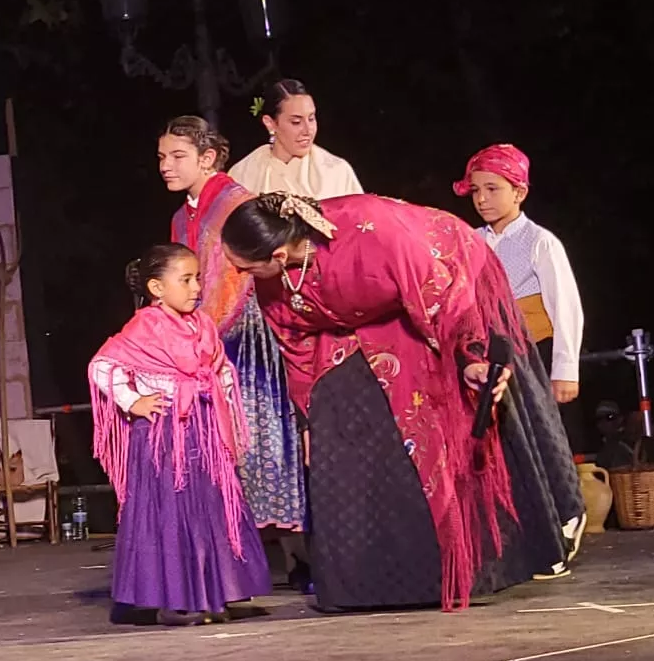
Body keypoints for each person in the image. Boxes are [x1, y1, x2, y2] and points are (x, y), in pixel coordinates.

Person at [221, 192, 576, 612]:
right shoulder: (273, 283)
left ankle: (471, 561)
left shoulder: (379, 237)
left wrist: (471, 360)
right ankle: (367, 583)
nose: (239, 275)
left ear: (278, 254)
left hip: (441, 284)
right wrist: (309, 419)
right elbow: (295, 346)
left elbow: (448, 304)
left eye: (245, 266)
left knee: (438, 408)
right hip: (355, 317)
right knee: (340, 420)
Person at [89, 243, 271, 625]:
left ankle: (213, 592)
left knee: (209, 509)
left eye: (197, 279)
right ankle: (171, 600)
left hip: (202, 432)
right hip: (164, 435)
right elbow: (103, 364)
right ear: (156, 288)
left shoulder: (202, 324)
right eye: (185, 280)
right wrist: (133, 401)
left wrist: (223, 404)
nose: (195, 287)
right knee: (170, 514)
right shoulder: (145, 326)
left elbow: (218, 366)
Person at [161, 116, 306, 539]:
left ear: (207, 159)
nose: (166, 165)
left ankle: (289, 548)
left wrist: (201, 337)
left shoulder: (235, 203)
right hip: (208, 335)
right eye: (162, 157)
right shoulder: (182, 215)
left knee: (259, 435)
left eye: (177, 156)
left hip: (243, 331)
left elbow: (234, 277)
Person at [456, 145, 584, 423]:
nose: (481, 199)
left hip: (532, 351)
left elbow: (565, 307)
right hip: (488, 356)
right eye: (476, 191)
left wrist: (565, 370)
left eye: (492, 189)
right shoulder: (471, 241)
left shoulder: (539, 241)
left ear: (519, 192)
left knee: (538, 432)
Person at [227, 78, 364, 200]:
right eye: (296, 122)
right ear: (270, 123)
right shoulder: (243, 174)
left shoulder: (337, 171)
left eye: (311, 119)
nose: (308, 130)